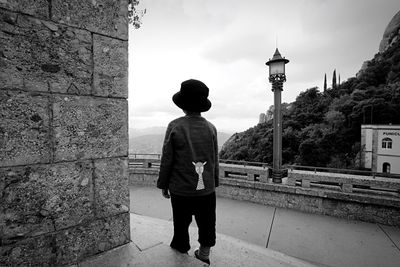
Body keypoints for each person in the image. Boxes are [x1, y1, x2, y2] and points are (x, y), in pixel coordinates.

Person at [157, 79, 219, 265]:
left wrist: (163, 184)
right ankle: (204, 254)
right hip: (206, 190)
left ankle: (181, 249)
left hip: (180, 188)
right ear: (201, 105)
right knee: (207, 222)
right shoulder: (211, 128)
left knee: (181, 222)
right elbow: (214, 159)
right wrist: (213, 182)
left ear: (182, 105)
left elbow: (167, 158)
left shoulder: (175, 126)